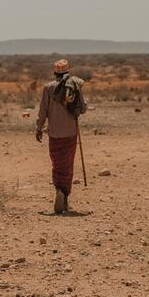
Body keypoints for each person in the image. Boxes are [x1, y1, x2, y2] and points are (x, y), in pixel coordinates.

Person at [36, 59, 87, 213]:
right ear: (67, 72)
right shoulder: (75, 86)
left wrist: (39, 128)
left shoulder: (48, 88)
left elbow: (42, 112)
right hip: (71, 133)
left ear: (55, 73)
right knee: (68, 165)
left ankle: (59, 189)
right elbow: (83, 108)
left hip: (54, 134)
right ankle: (64, 195)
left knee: (57, 164)